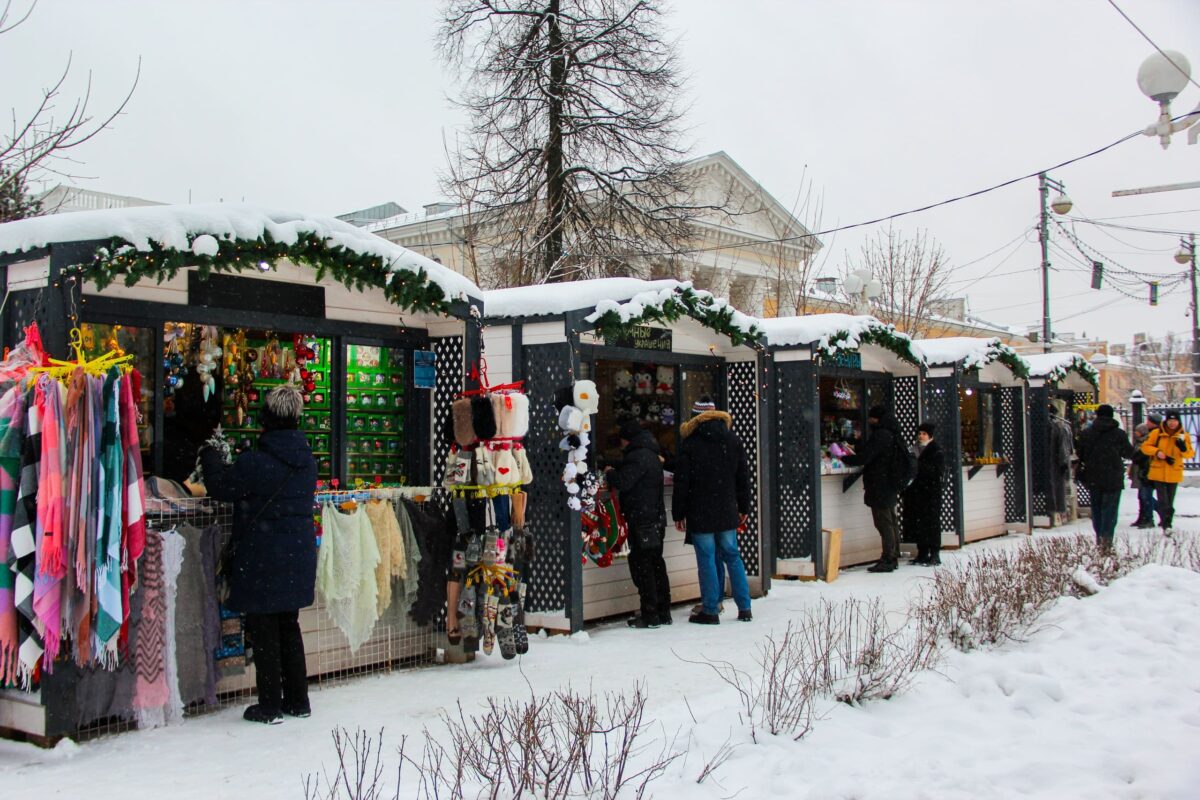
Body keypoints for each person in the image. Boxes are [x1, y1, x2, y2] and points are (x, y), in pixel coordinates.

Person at [201, 384, 318, 725]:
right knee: (288, 626)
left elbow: (221, 488)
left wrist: (210, 456)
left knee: (265, 628)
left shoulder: (256, 462)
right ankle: (298, 700)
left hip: (263, 557)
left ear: (266, 418)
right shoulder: (306, 462)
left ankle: (269, 705)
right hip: (297, 555)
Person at [673, 396, 752, 625]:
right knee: (733, 556)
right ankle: (744, 607)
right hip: (727, 508)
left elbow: (682, 482)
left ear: (696, 418)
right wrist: (744, 506)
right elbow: (742, 478)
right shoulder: (733, 440)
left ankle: (711, 609)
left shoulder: (690, 444)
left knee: (706, 559)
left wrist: (678, 513)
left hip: (700, 510)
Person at [606, 419, 671, 628]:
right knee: (656, 564)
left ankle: (650, 614)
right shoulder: (651, 453)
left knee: (643, 567)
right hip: (655, 518)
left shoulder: (637, 457)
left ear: (627, 439)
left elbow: (624, 481)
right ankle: (663, 611)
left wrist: (609, 473)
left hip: (642, 520)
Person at [842, 405, 905, 573]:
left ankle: (888, 557)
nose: (869, 421)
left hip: (880, 484)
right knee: (890, 520)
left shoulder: (881, 435)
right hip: (889, 483)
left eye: (871, 418)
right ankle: (893, 554)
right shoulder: (893, 434)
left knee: (883, 522)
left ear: (877, 419)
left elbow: (867, 456)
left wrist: (845, 458)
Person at [1076, 404, 1135, 551]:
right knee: (1110, 510)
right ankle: (1107, 540)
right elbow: (1128, 453)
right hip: (1113, 477)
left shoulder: (1086, 434)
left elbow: (1080, 454)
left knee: (1096, 509)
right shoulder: (1119, 434)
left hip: (1093, 477)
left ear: (1096, 415)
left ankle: (1099, 537)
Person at [1140, 410, 1194, 534]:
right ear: (1166, 420)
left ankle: (1167, 521)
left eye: (1175, 421)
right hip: (1159, 472)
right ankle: (1167, 525)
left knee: (1169, 501)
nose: (1172, 423)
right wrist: (1157, 452)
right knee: (1163, 500)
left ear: (1178, 421)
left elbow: (1190, 454)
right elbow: (1145, 447)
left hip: (1174, 472)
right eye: (1170, 420)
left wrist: (1183, 448)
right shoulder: (1157, 433)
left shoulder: (1183, 436)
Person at [904, 422, 944, 566]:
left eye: (924, 434)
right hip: (917, 491)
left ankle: (934, 553)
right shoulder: (913, 449)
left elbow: (938, 471)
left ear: (930, 436)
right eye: (919, 433)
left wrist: (920, 468)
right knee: (919, 522)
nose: (921, 436)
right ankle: (922, 552)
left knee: (932, 523)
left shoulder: (936, 450)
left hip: (931, 492)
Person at [1047, 403, 1074, 520]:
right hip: (1055, 464)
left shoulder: (1058, 428)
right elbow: (1065, 451)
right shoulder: (1058, 428)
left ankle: (1054, 510)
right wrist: (1065, 464)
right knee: (1057, 488)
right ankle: (1057, 510)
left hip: (1051, 463)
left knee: (1054, 488)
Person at [1129, 419, 1156, 528]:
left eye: (1138, 431)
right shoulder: (1138, 441)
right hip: (1139, 471)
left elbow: (1141, 457)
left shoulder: (1147, 442)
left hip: (1145, 472)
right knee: (1142, 496)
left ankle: (1149, 518)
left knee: (1146, 496)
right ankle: (1143, 517)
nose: (1136, 433)